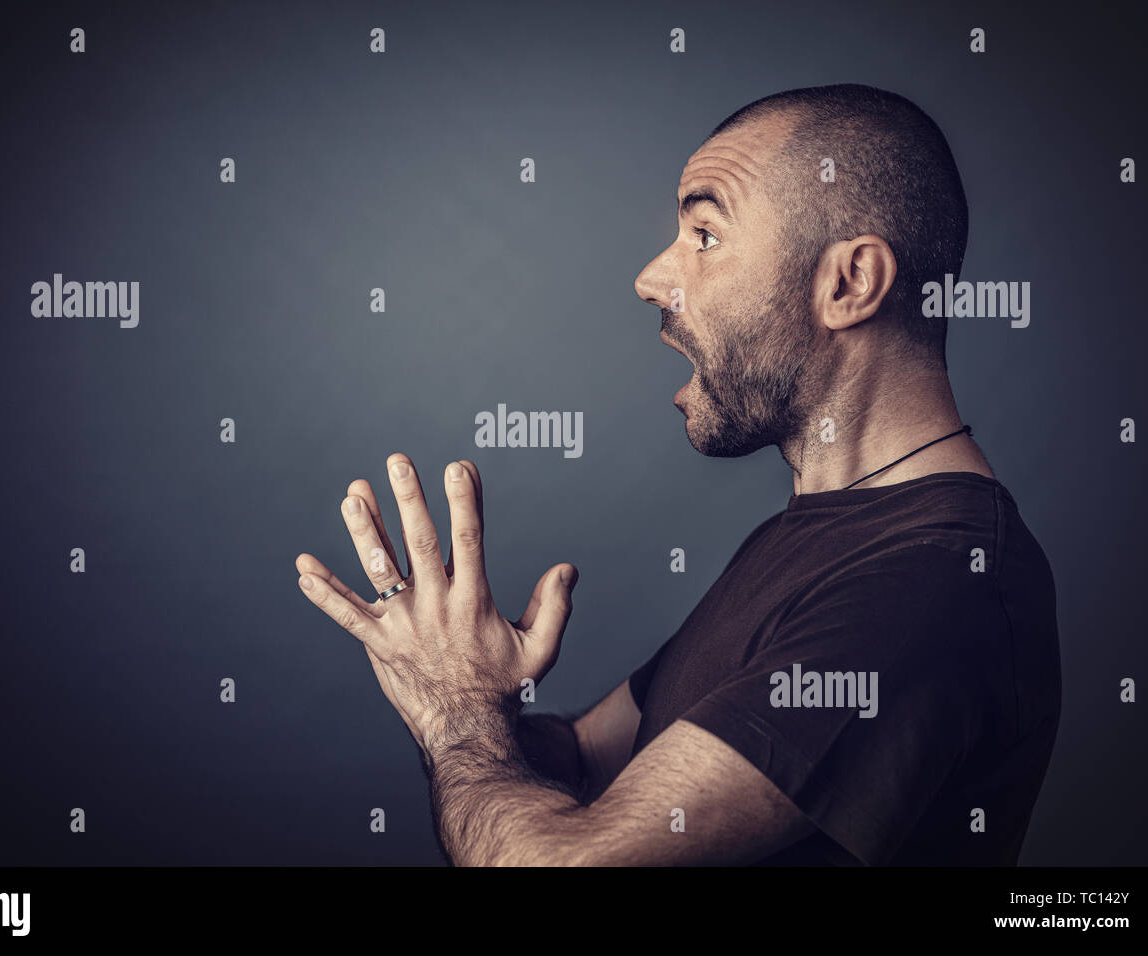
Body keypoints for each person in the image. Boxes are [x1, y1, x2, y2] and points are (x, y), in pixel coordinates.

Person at [295, 83, 1061, 866]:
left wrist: (456, 719)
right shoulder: (812, 535)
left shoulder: (932, 585)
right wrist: (466, 682)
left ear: (849, 283)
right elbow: (588, 766)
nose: (653, 278)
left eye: (704, 234)